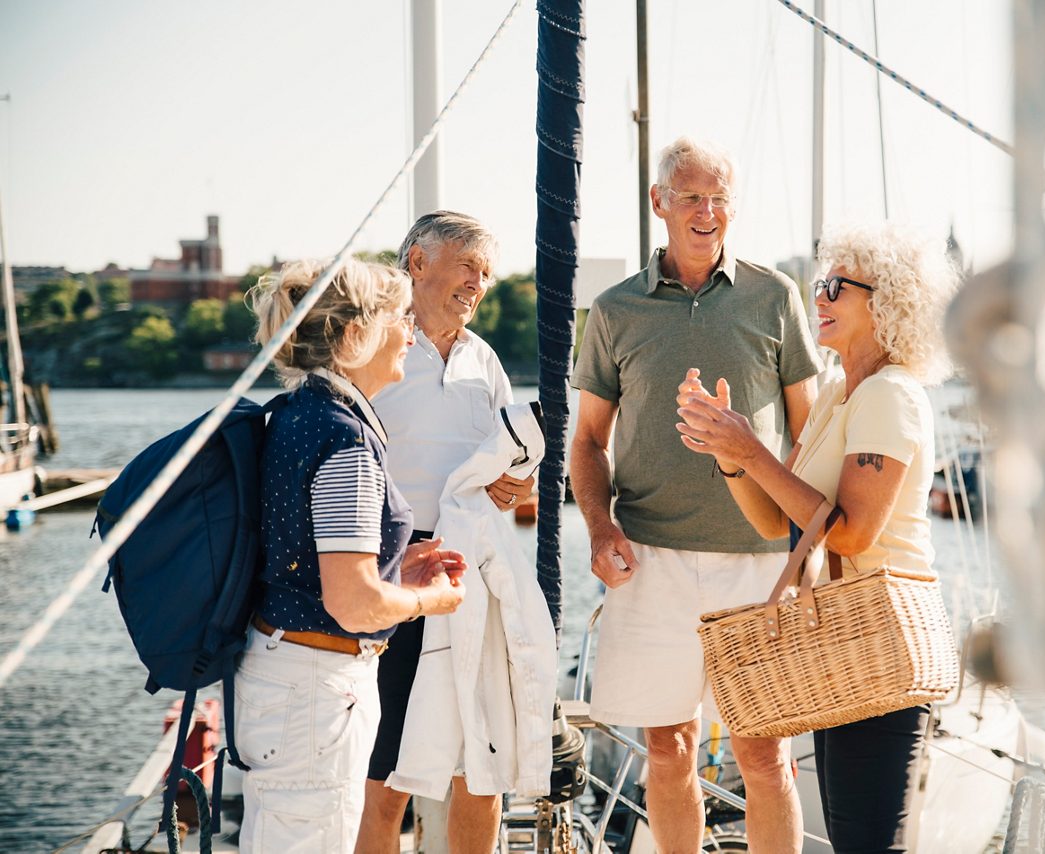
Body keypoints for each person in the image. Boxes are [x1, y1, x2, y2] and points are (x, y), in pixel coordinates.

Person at [570, 136, 822, 853]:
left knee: (764, 758)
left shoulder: (775, 296)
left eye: (719, 198)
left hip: (758, 567)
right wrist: (597, 528)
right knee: (670, 750)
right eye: (691, 196)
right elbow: (587, 442)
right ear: (660, 203)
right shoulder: (615, 310)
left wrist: (800, 551)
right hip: (650, 562)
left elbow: (809, 432)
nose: (707, 211)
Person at [675, 221, 959, 853]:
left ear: (885, 302)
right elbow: (779, 520)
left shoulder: (890, 396)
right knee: (854, 836)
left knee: (866, 842)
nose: (819, 297)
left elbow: (852, 535)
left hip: (880, 637)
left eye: (836, 286)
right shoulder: (837, 394)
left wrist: (754, 449)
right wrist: (730, 453)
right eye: (818, 284)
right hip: (838, 636)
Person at [236, 258, 467, 854]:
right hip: (316, 690)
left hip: (285, 674)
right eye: (400, 319)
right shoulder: (345, 440)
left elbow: (313, 558)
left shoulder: (299, 414)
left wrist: (396, 567)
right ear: (353, 334)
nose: (411, 333)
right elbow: (353, 602)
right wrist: (429, 599)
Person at [356, 211, 535, 854]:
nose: (477, 284)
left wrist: (517, 487)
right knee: (384, 772)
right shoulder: (374, 350)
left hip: (468, 576)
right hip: (393, 574)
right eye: (467, 266)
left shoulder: (485, 362)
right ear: (417, 264)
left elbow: (510, 471)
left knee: (478, 766)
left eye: (485, 273)